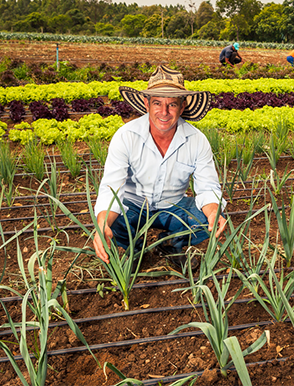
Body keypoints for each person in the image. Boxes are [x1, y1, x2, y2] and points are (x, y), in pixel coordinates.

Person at [92, 65, 227, 271]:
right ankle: (135, 249)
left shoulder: (197, 140)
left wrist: (213, 213)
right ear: (146, 104)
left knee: (207, 220)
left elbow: (207, 187)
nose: (164, 112)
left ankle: (170, 244)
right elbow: (111, 187)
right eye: (157, 103)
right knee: (111, 218)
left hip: (173, 207)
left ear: (182, 107)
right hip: (134, 208)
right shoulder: (126, 136)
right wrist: (102, 224)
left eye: (172, 105)